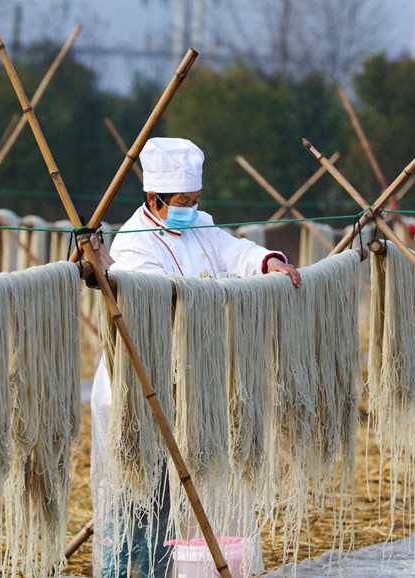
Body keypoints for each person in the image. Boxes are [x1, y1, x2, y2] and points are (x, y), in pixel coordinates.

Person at [90, 137, 301, 578]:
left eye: (195, 200)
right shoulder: (133, 245)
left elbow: (232, 251)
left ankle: (159, 571)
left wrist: (267, 262)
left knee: (166, 497)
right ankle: (121, 571)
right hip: (139, 387)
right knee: (134, 497)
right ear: (154, 198)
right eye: (182, 201)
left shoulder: (199, 225)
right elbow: (149, 305)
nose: (190, 208)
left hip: (182, 384)